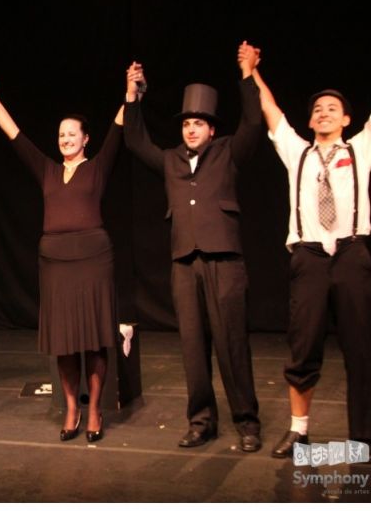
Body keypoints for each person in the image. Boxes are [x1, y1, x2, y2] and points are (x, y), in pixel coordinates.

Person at [123, 42, 263, 452]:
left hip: (225, 260)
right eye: (187, 123)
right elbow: (135, 141)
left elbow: (254, 123)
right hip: (185, 262)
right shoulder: (170, 160)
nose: (191, 129)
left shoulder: (228, 153)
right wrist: (133, 96)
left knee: (232, 343)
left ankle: (247, 421)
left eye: (199, 123)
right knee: (191, 346)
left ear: (212, 129)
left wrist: (247, 75)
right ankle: (201, 421)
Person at [0, 70, 125, 443]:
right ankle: (72, 407)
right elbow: (14, 135)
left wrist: (129, 92)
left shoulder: (97, 167)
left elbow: (118, 128)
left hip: (93, 260)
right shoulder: (47, 169)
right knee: (63, 341)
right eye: (60, 134)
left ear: (85, 139)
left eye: (71, 134)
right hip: (55, 264)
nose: (64, 139)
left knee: (92, 339)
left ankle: (94, 410)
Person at [249, 58, 371, 459]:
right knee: (303, 348)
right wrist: (252, 71)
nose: (323, 113)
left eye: (332, 108)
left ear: (347, 119)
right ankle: (299, 432)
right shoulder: (298, 152)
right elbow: (270, 111)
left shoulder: (362, 147)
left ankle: (363, 438)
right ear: (310, 121)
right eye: (317, 109)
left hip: (351, 253)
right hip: (309, 258)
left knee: (358, 349)